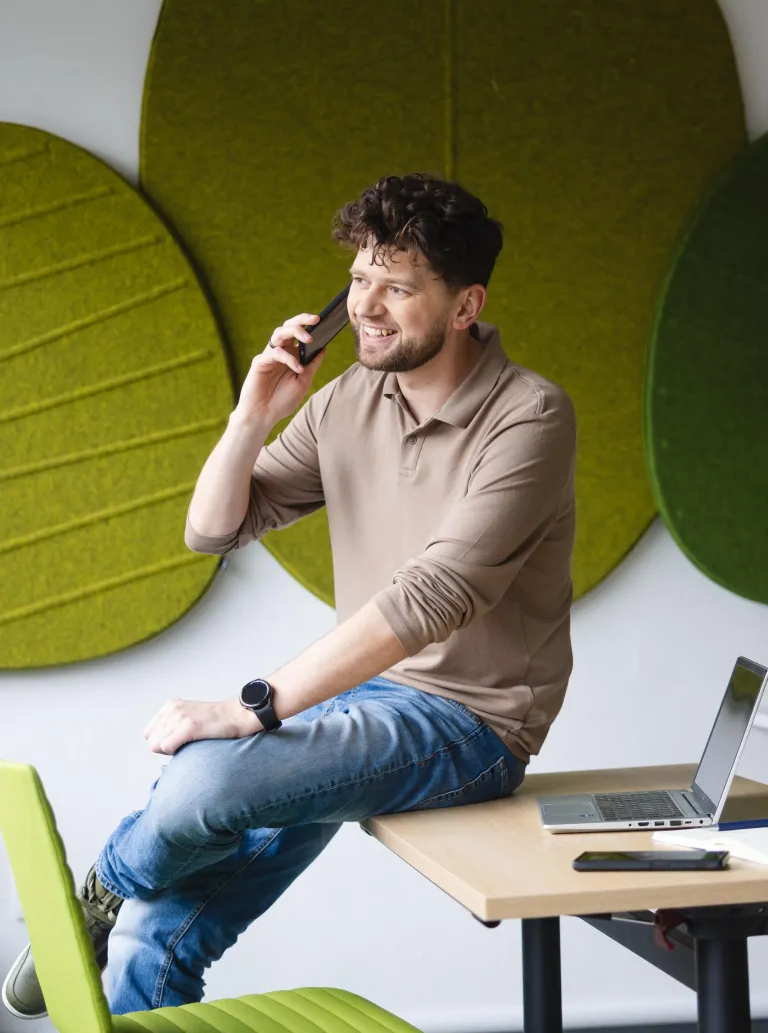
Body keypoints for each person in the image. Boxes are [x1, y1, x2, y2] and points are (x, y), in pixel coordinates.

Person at [3, 173, 577, 1018]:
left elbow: (433, 596)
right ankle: (123, 918)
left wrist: (255, 708)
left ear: (464, 306)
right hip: (369, 696)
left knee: (203, 786)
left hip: (470, 724)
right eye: (358, 281)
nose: (367, 306)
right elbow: (213, 528)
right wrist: (252, 415)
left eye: (398, 286)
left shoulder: (530, 417)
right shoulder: (347, 400)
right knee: (156, 931)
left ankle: (102, 885)